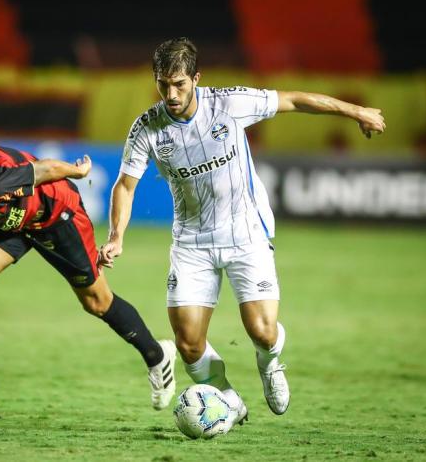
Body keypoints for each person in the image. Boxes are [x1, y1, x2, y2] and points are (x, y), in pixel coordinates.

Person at [98, 37, 386, 428]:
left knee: (263, 332)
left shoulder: (228, 104)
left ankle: (270, 366)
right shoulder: (147, 128)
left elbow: (295, 100)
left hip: (245, 231)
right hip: (192, 242)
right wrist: (117, 236)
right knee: (188, 343)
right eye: (163, 84)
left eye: (179, 84)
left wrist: (357, 112)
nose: (171, 93)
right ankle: (230, 402)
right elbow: (124, 186)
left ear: (196, 78)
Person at [0, 141, 177, 416]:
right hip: (9, 222)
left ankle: (157, 356)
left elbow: (42, 169)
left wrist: (77, 172)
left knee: (97, 302)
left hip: (55, 215)